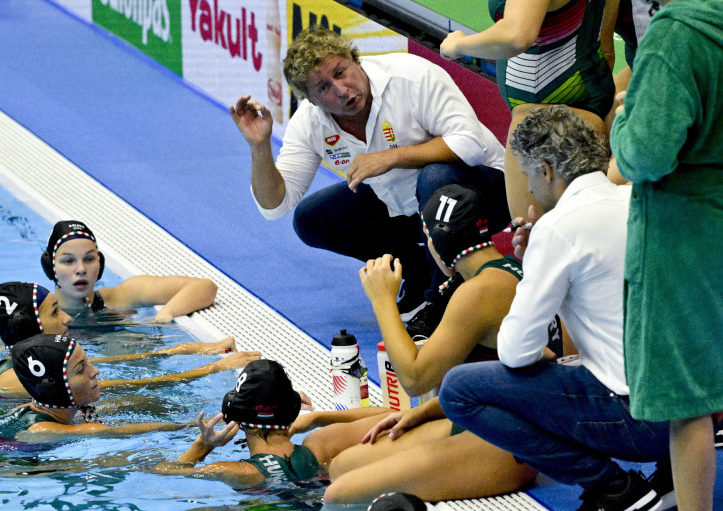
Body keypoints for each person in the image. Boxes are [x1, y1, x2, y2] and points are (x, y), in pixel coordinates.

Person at [438, 106, 671, 511]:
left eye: (528, 176)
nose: (528, 190)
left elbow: (516, 351)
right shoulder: (641, 197)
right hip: (695, 407)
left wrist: (535, 269)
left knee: (459, 390)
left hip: (641, 422)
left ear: (546, 170)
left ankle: (613, 488)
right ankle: (669, 478)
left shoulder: (558, 227)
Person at [230, 28, 511, 336]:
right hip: (407, 203)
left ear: (356, 60)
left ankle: (438, 298)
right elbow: (275, 205)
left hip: (487, 191)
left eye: (341, 72)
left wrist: (390, 157)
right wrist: (259, 147)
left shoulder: (410, 77)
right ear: (309, 99)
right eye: (324, 87)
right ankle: (417, 270)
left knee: (435, 175)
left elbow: (471, 145)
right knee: (311, 219)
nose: (341, 89)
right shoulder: (310, 123)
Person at [306, 184, 537, 504]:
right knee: (331, 449)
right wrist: (423, 413)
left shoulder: (479, 291)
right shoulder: (503, 271)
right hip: (481, 415)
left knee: (340, 492)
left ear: (435, 241)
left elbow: (414, 379)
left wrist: (383, 300)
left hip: (505, 441)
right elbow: (496, 382)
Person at [610, 1, 723, 509]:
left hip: (689, 236)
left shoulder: (676, 34)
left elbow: (645, 155)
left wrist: (620, 121)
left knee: (688, 400)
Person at [439, 0, 617, 220]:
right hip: (590, 90)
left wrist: (457, 45)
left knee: (534, 241)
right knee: (582, 230)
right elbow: (604, 35)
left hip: (544, 119)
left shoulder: (536, 120)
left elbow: (516, 35)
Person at [0, 281, 257, 398]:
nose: (67, 319)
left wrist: (185, 349)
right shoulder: (13, 380)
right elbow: (118, 387)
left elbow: (103, 363)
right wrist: (210, 370)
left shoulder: (31, 360)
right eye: (56, 312)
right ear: (31, 324)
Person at [154, 359, 390, 489]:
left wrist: (203, 445)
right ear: (292, 412)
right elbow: (392, 415)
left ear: (236, 419)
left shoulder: (239, 471)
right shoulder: (320, 445)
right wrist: (316, 418)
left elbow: (162, 474)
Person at [0, 334, 189, 439]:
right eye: (80, 369)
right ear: (58, 387)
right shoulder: (43, 429)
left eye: (87, 362)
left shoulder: (37, 408)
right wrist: (189, 426)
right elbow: (116, 432)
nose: (95, 371)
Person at [42, 220, 217, 322]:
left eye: (89, 259)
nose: (81, 269)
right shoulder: (43, 320)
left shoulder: (121, 297)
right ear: (51, 267)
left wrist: (165, 314)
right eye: (68, 261)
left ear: (100, 263)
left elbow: (205, 287)